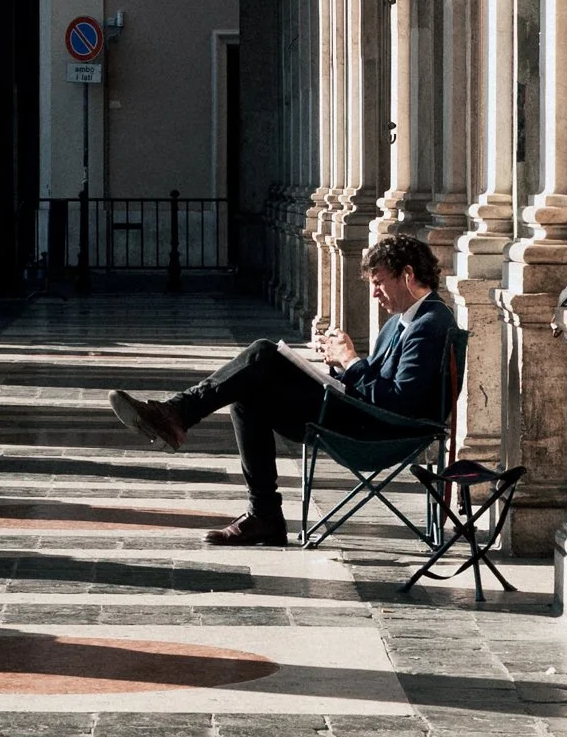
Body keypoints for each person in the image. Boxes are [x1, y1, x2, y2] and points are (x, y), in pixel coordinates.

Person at [108, 234, 461, 547]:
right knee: (248, 396)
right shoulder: (404, 322)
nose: (374, 293)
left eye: (380, 282)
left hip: (380, 432)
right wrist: (339, 366)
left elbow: (399, 403)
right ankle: (264, 516)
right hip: (362, 416)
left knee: (263, 353)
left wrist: (352, 361)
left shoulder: (429, 324)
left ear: (409, 275)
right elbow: (378, 385)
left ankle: (176, 414)